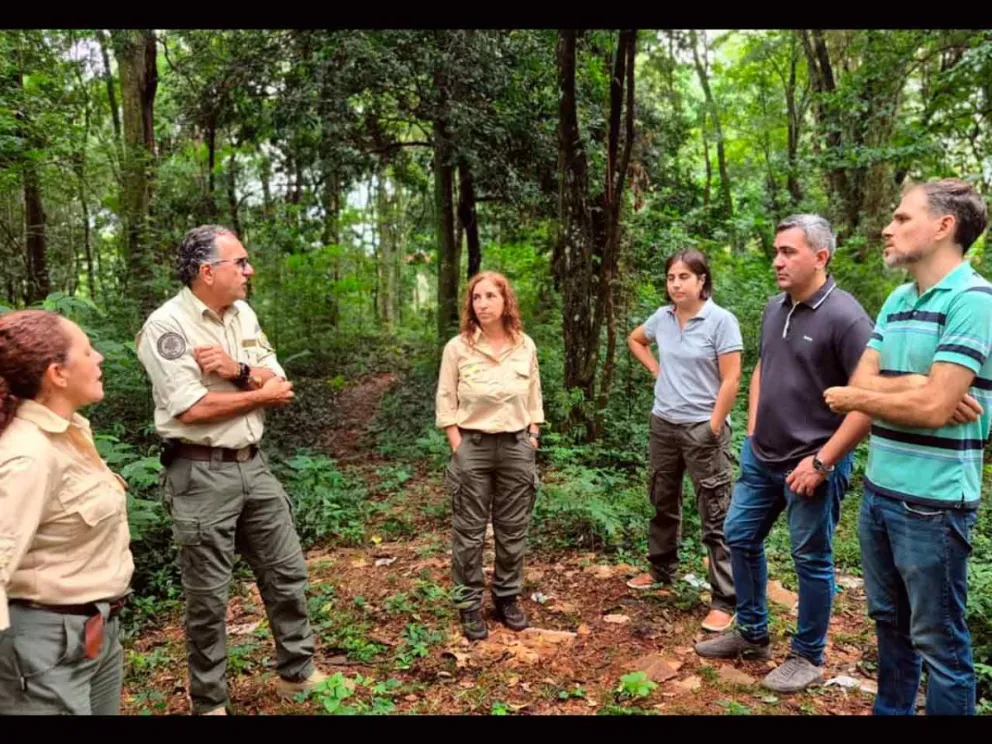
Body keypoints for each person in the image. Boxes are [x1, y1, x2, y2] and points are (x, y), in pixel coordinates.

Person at [135, 225, 326, 715]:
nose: (249, 270)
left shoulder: (243, 314)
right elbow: (191, 409)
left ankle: (297, 674)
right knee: (208, 599)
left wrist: (234, 370)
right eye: (239, 262)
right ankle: (210, 703)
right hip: (199, 473)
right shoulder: (167, 326)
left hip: (253, 465)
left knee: (286, 573)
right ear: (207, 271)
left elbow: (279, 379)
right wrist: (259, 392)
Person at [824, 178, 991, 715]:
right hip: (879, 492)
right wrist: (919, 383)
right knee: (890, 626)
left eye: (901, 218)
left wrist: (867, 396)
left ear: (944, 226)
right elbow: (867, 382)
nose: (887, 228)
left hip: (933, 504)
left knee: (940, 644)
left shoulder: (975, 301)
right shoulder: (898, 299)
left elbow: (928, 407)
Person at [694, 214, 875, 694]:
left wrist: (822, 462)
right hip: (762, 456)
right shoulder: (775, 308)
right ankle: (753, 633)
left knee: (810, 557)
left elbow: (868, 403)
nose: (777, 260)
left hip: (812, 463)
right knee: (739, 535)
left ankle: (808, 655)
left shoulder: (847, 318)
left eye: (788, 252)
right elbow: (763, 369)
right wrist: (753, 430)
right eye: (776, 251)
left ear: (820, 257)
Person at [0, 309, 133, 715]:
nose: (99, 358)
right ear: (57, 374)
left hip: (95, 634)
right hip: (45, 651)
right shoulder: (28, 456)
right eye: (88, 352)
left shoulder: (70, 432)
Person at [625, 249, 742, 633]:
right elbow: (636, 340)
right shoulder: (662, 318)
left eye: (684, 277)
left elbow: (732, 379)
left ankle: (725, 599)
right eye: (671, 277)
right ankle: (661, 569)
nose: (676, 284)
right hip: (664, 424)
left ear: (701, 280)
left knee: (715, 512)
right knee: (662, 499)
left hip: (702, 428)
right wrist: (655, 370)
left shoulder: (721, 321)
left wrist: (713, 426)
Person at [435, 271, 544, 641]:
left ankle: (506, 597)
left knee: (513, 530)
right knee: (469, 532)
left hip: (516, 446)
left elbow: (534, 396)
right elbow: (446, 399)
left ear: (505, 300)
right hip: (474, 447)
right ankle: (468, 604)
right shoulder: (458, 347)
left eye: (490, 296)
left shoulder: (524, 345)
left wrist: (532, 435)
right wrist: (458, 444)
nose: (482, 304)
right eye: (476, 297)